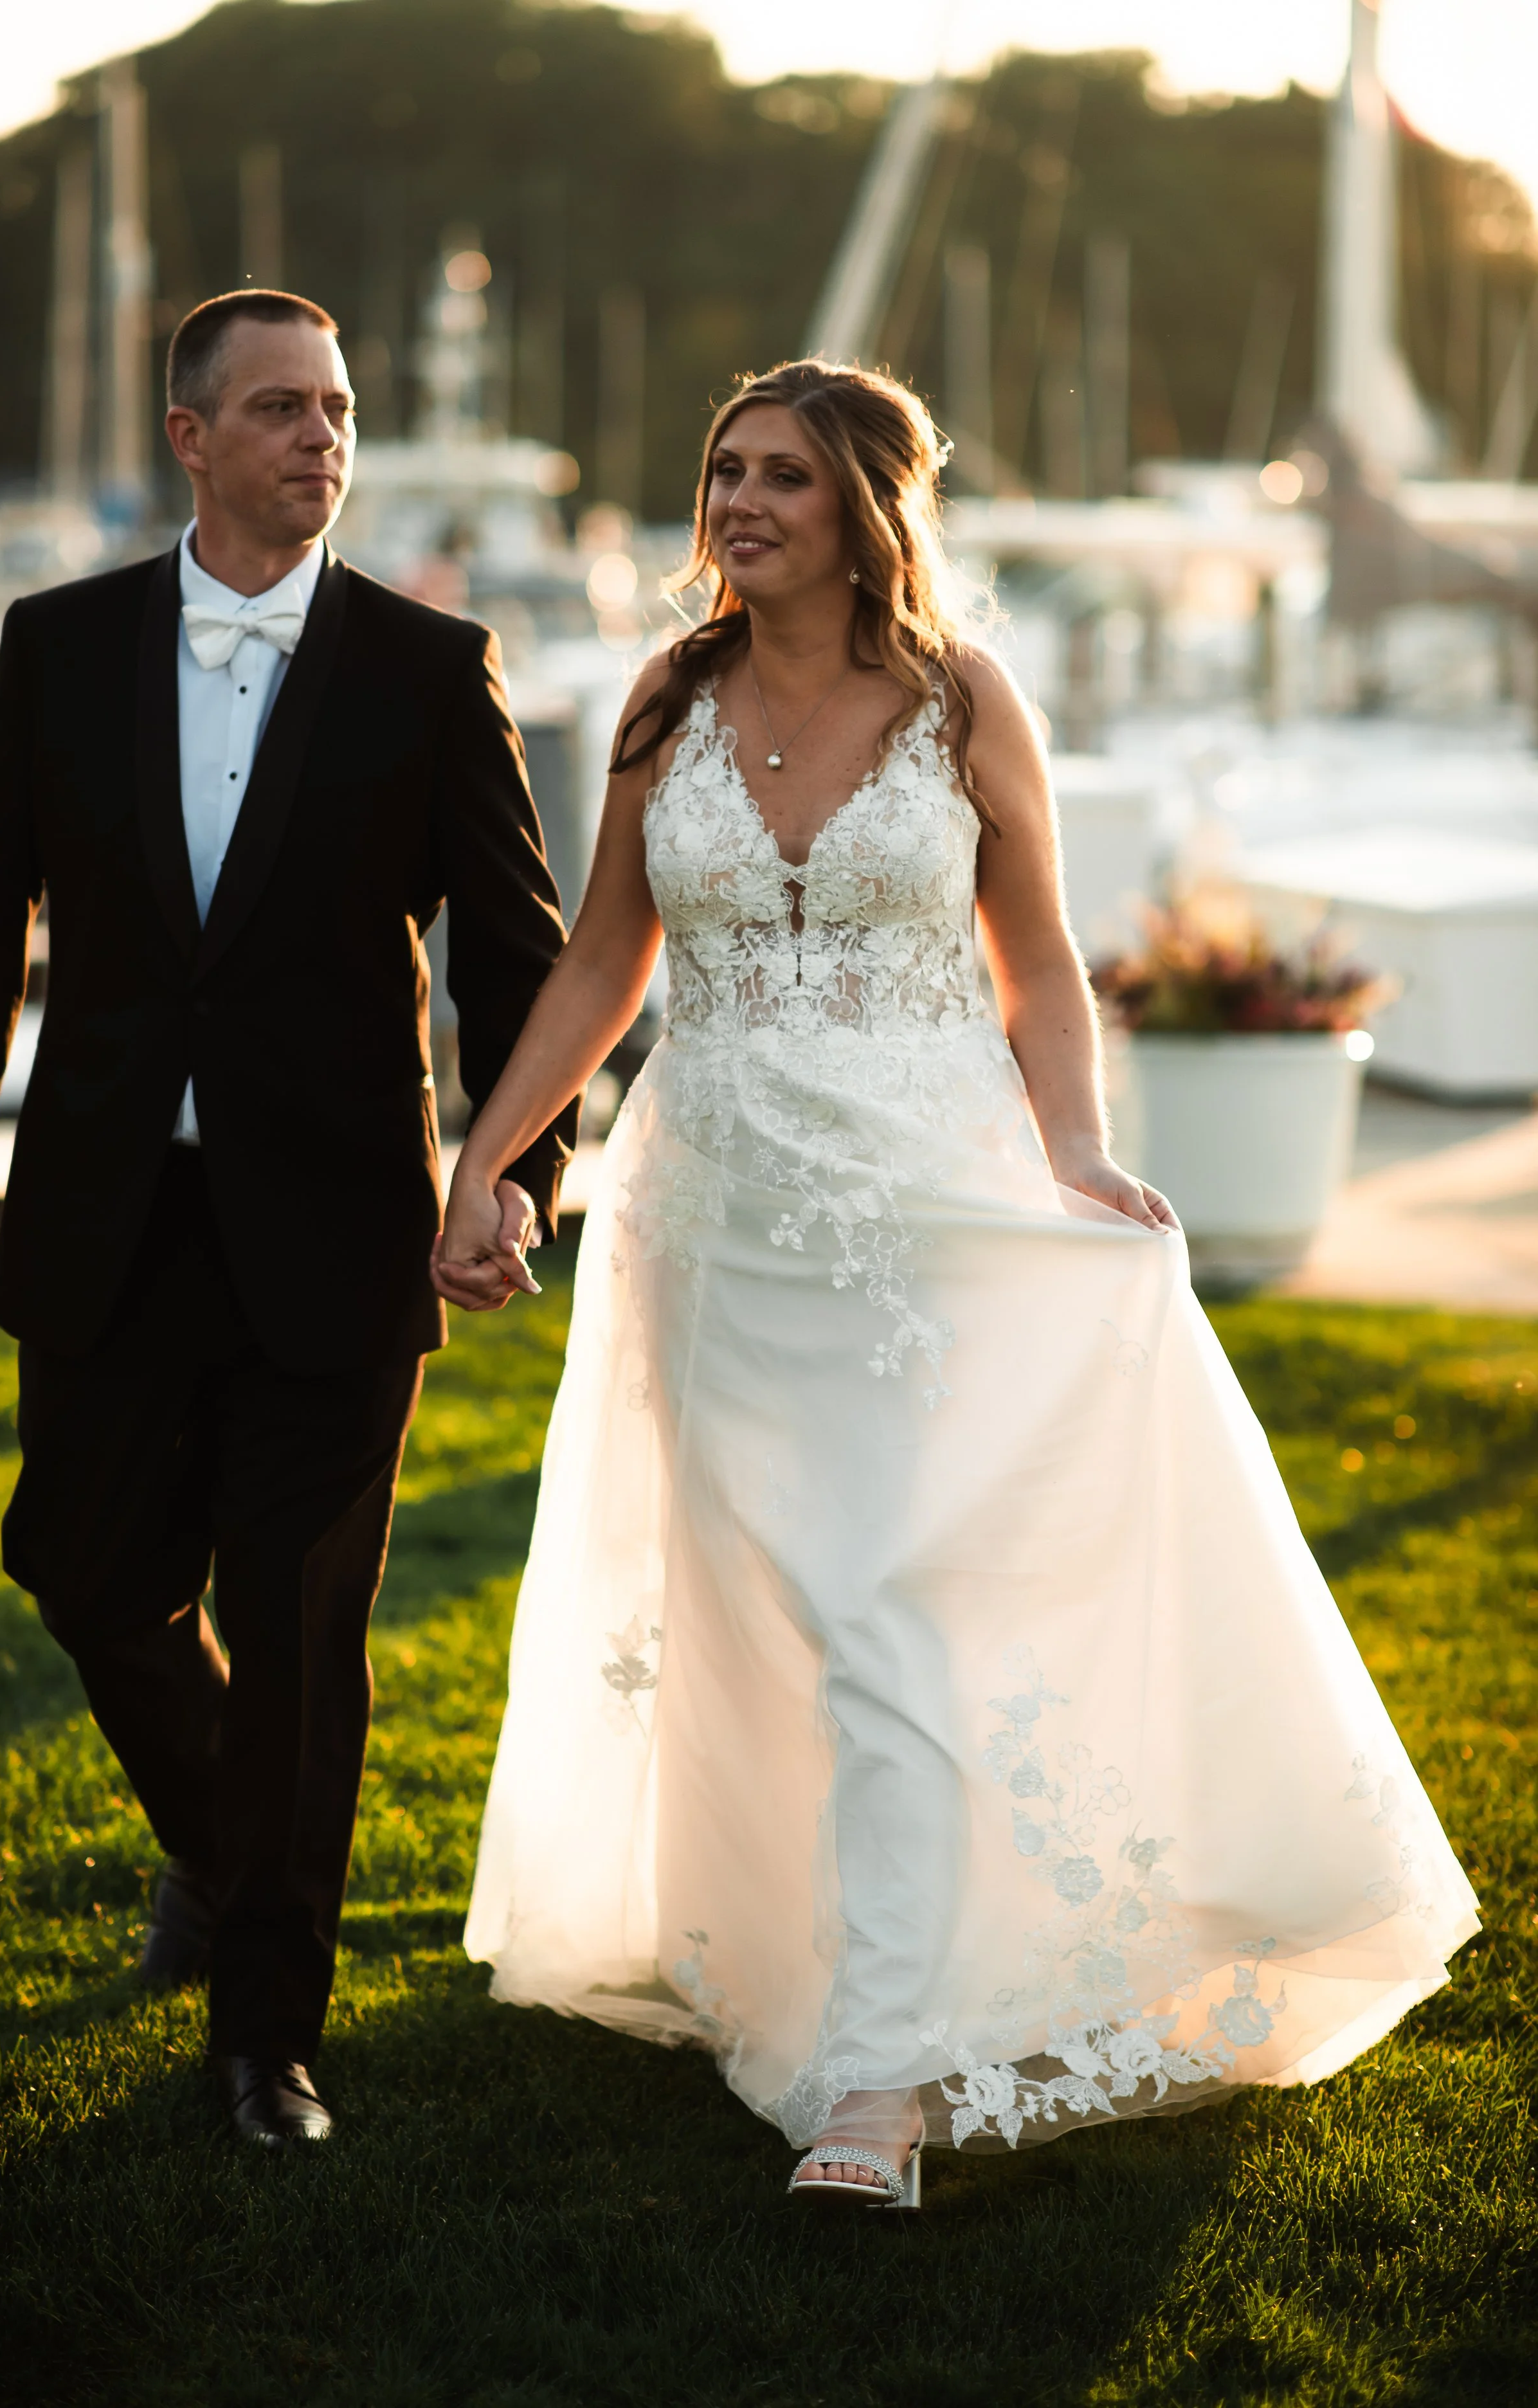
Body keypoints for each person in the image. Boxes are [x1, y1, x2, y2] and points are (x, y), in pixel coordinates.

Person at [434, 359, 1478, 2208]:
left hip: (925, 1216)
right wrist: (493, 1154)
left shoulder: (959, 700)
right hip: (715, 1223)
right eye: (723, 468)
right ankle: (788, 1953)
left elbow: (1042, 961)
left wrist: (1070, 1153)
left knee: (886, 1616)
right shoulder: (663, 698)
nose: (739, 502)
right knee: (764, 1617)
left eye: (782, 477)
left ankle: (883, 2085)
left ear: (865, 509)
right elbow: (605, 957)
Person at [0, 289, 575, 2148]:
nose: (324, 437)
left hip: (342, 1228)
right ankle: (235, 1855)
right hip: (108, 1204)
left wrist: (510, 1177)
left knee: (301, 1631)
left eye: (342, 409)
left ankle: (263, 2034)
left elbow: (518, 953)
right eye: (282, 407)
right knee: (83, 1569)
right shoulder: (57, 649)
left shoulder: (426, 664)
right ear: (188, 435)